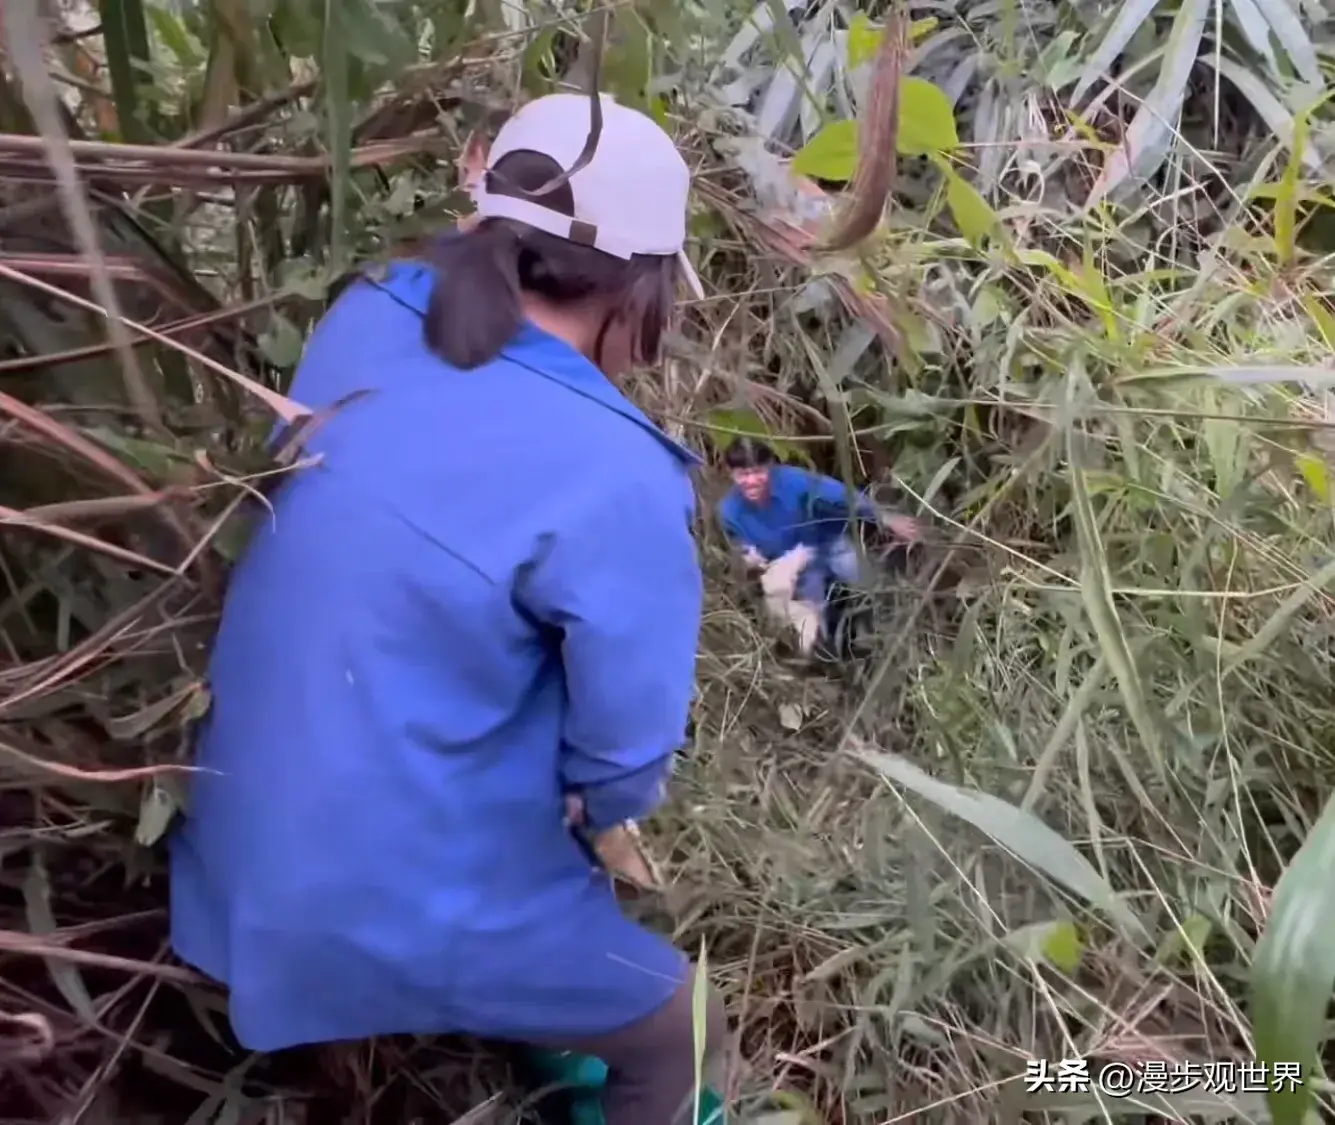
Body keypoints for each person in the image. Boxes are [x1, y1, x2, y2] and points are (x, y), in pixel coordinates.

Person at [168, 93, 727, 1125]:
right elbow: (625, 759)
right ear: (643, 293)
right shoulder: (617, 469)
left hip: (228, 829)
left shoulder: (369, 308)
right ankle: (568, 1026)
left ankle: (541, 1012)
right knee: (682, 1025)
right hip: (363, 897)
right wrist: (594, 818)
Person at [718, 437, 919, 653]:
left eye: (758, 472)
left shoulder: (793, 480)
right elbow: (740, 547)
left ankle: (887, 627)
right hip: (792, 567)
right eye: (743, 474)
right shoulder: (729, 511)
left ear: (771, 467)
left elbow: (842, 496)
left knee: (865, 581)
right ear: (731, 474)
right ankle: (830, 658)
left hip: (826, 544)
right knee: (811, 622)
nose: (751, 480)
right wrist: (749, 558)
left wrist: (886, 517)